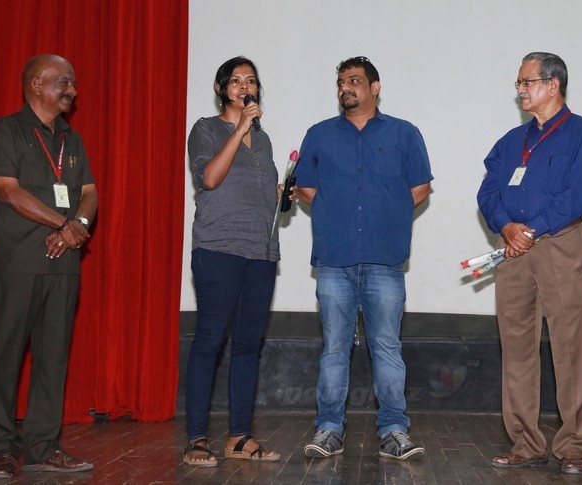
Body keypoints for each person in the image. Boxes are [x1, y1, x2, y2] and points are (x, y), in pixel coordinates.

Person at [296, 56, 432, 461]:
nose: (345, 88)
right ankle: (329, 429)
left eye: (354, 80)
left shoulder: (405, 133)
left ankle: (394, 430)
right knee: (334, 349)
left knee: (387, 347)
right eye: (340, 82)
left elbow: (420, 187)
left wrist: (384, 216)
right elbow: (306, 188)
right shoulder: (318, 135)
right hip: (334, 260)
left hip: (385, 260)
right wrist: (338, 215)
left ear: (375, 87)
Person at [477, 52, 582, 474]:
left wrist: (533, 228)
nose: (520, 90)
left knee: (569, 346)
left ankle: (575, 445)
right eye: (518, 83)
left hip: (558, 244)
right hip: (513, 248)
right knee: (516, 347)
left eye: (527, 82)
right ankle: (526, 442)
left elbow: (581, 194)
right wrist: (506, 226)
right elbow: (488, 190)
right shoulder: (511, 141)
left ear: (553, 85)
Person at [0, 54, 98, 479]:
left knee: (53, 358)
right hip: (17, 264)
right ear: (35, 84)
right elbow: (8, 192)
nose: (72, 90)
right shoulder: (6, 131)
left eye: (73, 83)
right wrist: (64, 224)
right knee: (7, 356)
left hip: (64, 265)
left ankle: (43, 446)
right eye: (64, 82)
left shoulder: (72, 138)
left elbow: (89, 192)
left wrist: (77, 227)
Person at [184, 56, 290, 466]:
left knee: (248, 345)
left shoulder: (263, 142)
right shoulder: (206, 129)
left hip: (261, 252)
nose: (245, 86)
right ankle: (196, 438)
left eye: (251, 80)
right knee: (210, 341)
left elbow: (256, 193)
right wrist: (240, 128)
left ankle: (239, 436)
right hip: (218, 248)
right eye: (236, 80)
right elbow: (209, 178)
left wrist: (282, 193)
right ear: (222, 89)